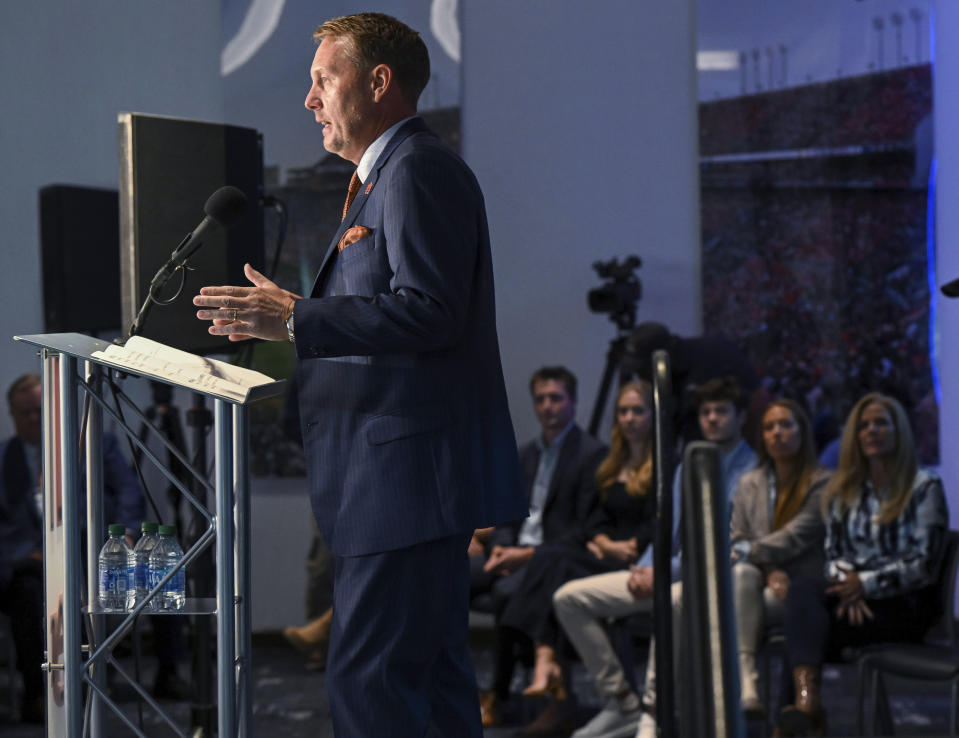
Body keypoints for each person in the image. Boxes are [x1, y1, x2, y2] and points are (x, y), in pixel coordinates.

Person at [192, 13, 526, 736]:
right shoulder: (388, 176)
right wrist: (289, 323)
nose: (309, 100)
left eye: (322, 79)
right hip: (395, 480)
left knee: (370, 684)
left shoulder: (417, 168)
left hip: (402, 481)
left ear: (378, 82)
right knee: (428, 685)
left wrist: (297, 317)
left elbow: (429, 312)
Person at [553, 376, 757, 738]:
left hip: (714, 581)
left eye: (721, 411)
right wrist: (646, 567)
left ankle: (653, 710)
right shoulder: (686, 467)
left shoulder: (753, 472)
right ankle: (622, 702)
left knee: (673, 601)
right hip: (664, 570)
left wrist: (661, 570)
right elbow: (669, 532)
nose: (711, 419)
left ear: (740, 417)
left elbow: (731, 549)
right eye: (706, 412)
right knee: (569, 598)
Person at [775, 392, 948, 737]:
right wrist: (848, 587)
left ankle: (803, 715)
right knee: (804, 624)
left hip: (904, 606)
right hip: (852, 604)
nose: (872, 431)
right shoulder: (844, 490)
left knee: (802, 632)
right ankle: (806, 707)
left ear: (899, 430)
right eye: (864, 426)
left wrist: (864, 585)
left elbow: (923, 564)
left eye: (881, 423)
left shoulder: (924, 486)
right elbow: (833, 554)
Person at [499, 381, 657, 735]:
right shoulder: (610, 460)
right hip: (606, 553)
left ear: (653, 415)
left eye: (638, 411)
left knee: (554, 558)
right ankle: (546, 659)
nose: (630, 418)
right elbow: (593, 518)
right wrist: (602, 539)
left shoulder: (663, 463)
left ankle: (545, 660)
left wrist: (621, 546)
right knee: (554, 557)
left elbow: (657, 521)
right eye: (624, 411)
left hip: (637, 559)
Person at [0, 374, 148, 722]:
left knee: (141, 567)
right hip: (28, 563)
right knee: (29, 593)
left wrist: (126, 534)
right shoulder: (5, 459)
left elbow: (129, 492)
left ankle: (94, 682)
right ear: (12, 415)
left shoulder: (92, 443)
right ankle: (40, 693)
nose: (34, 420)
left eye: (39, 411)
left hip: (91, 552)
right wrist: (25, 554)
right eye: (26, 414)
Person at [473, 366, 606, 727]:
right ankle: (432, 679)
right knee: (447, 575)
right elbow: (507, 515)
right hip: (513, 550)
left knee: (505, 592)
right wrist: (502, 547)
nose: (548, 406)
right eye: (541, 399)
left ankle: (498, 694)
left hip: (551, 558)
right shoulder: (526, 454)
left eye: (556, 398)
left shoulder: (592, 455)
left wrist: (525, 555)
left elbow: (583, 529)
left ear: (573, 403)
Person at [729, 399, 829, 716]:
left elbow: (797, 536)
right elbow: (736, 537)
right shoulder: (749, 482)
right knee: (741, 576)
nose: (777, 433)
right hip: (756, 580)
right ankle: (747, 679)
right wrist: (770, 566)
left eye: (786, 425)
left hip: (801, 587)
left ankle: (753, 688)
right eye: (770, 427)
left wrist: (755, 554)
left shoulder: (823, 482)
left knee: (739, 602)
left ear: (802, 431)